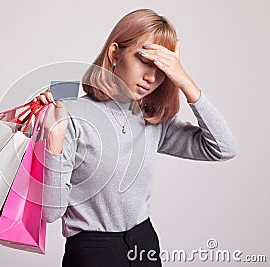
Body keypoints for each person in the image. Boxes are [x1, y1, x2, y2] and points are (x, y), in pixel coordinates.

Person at [32, 8, 237, 267]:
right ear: (115, 53)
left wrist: (185, 82)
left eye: (163, 68)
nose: (152, 77)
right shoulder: (70, 115)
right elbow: (51, 213)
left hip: (145, 247)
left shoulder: (151, 119)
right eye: (145, 60)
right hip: (92, 253)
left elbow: (224, 148)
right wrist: (54, 141)